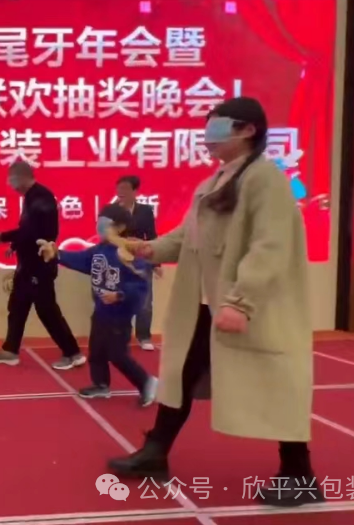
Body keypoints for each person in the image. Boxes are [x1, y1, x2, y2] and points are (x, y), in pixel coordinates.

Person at [106, 97, 320, 507]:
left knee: (277, 382)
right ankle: (156, 450)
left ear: (248, 130)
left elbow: (270, 247)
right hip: (208, 305)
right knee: (181, 375)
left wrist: (240, 302)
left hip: (251, 308)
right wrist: (150, 248)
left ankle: (299, 473)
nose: (208, 136)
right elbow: (188, 236)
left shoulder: (266, 179)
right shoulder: (213, 183)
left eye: (218, 126)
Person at [39, 204, 158, 406]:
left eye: (105, 223)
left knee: (118, 355)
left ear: (120, 227)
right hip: (101, 312)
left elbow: (140, 286)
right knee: (96, 351)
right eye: (99, 222)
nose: (99, 227)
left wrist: (120, 294)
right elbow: (80, 259)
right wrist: (57, 254)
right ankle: (101, 385)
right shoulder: (99, 250)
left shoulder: (130, 253)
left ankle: (147, 383)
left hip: (119, 316)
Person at [0, 160, 85, 370]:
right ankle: (10, 350)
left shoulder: (41, 198)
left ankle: (73, 352)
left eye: (11, 179)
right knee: (17, 306)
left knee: (47, 310)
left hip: (39, 265)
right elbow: (27, 228)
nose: (9, 184)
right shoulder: (30, 197)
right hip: (27, 265)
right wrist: (15, 245)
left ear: (22, 177)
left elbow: (34, 232)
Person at [115, 175, 159, 351]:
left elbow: (152, 236)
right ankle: (120, 336)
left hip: (141, 260)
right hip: (119, 260)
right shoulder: (112, 211)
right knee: (119, 299)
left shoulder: (146, 211)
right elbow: (105, 235)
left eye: (125, 189)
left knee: (145, 301)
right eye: (119, 189)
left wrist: (156, 263)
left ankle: (144, 336)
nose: (121, 192)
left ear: (135, 191)